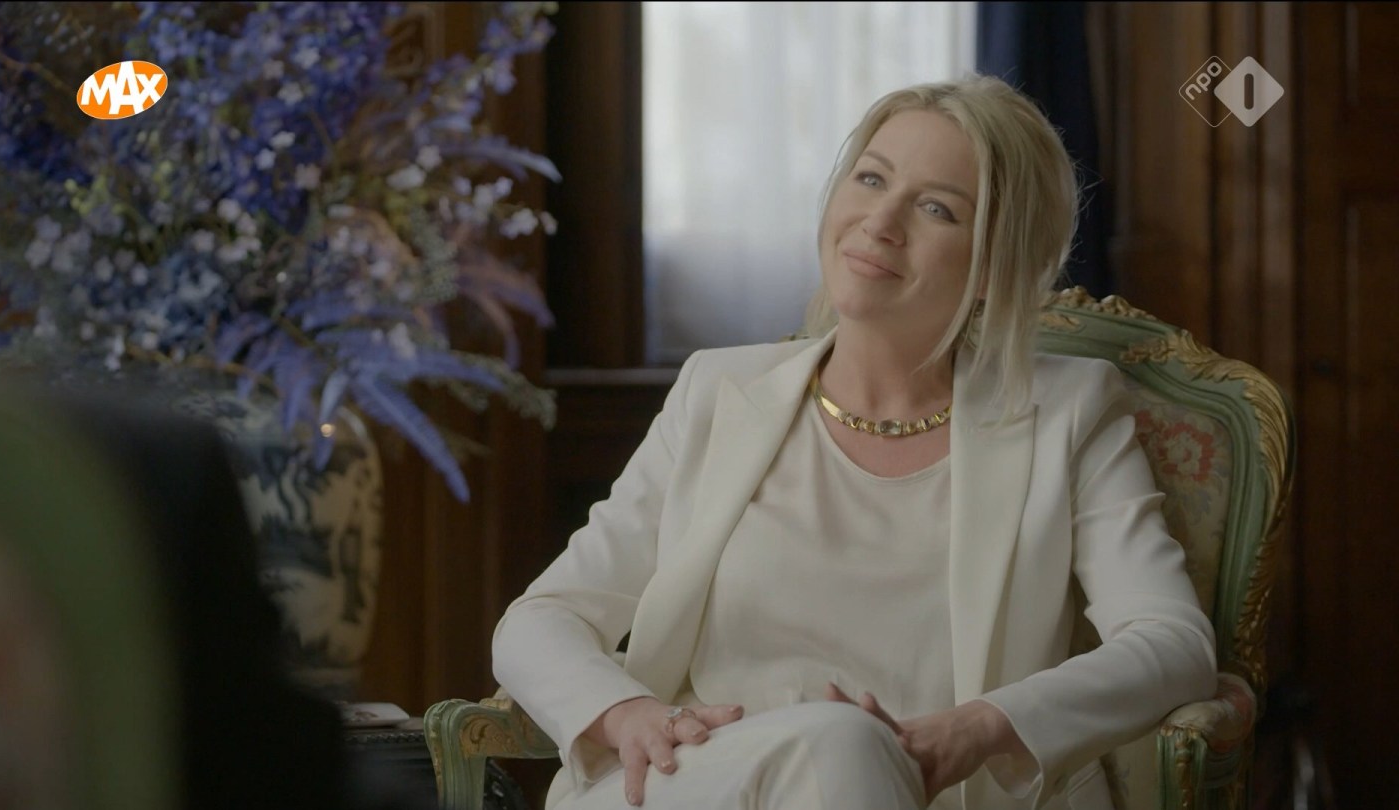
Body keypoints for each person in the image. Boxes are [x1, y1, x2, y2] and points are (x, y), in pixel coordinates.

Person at [491, 75, 1217, 810]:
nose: (881, 221)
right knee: (840, 741)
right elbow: (542, 617)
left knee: (847, 745)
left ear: (996, 264)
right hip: (698, 785)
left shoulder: (1069, 413)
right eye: (871, 179)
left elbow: (1171, 642)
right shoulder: (718, 391)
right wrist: (627, 714)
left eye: (937, 208)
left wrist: (977, 729)